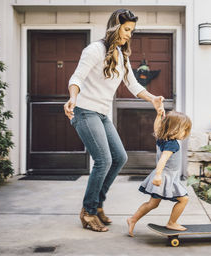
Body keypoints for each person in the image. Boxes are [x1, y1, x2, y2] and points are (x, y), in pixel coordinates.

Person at [63, 9, 165, 232]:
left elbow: (133, 84)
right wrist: (72, 98)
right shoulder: (95, 50)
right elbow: (77, 77)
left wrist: (153, 99)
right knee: (103, 160)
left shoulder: (122, 54)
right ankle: (88, 212)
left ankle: (97, 204)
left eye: (132, 31)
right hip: (84, 110)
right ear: (115, 27)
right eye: (127, 29)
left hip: (101, 113)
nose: (130, 34)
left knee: (119, 157)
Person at [127, 108, 192, 237]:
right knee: (183, 199)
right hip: (165, 177)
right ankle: (172, 222)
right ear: (174, 129)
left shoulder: (162, 138)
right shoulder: (172, 144)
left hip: (163, 175)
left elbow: (156, 127)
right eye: (184, 129)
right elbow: (162, 160)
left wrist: (158, 116)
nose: (185, 133)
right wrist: (157, 175)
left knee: (153, 204)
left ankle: (132, 219)